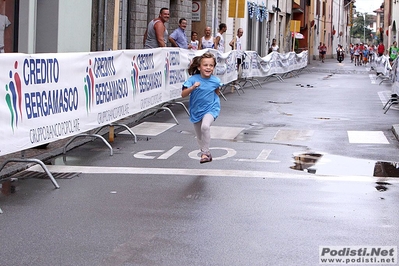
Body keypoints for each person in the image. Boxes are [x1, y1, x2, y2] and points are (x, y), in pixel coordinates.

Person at [181, 52, 222, 164]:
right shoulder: (193, 80)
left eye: (211, 65)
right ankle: (204, 151)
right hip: (196, 110)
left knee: (205, 127)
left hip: (211, 108)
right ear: (199, 67)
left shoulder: (216, 81)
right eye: (205, 65)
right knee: (199, 137)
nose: (208, 68)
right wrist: (193, 88)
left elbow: (216, 92)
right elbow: (183, 94)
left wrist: (213, 102)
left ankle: (206, 153)